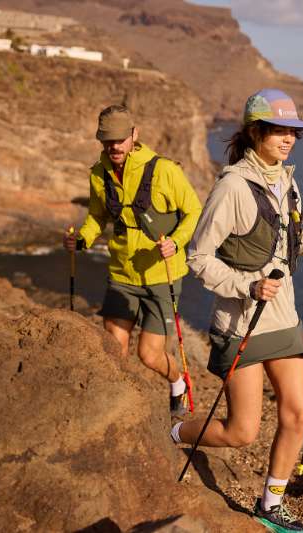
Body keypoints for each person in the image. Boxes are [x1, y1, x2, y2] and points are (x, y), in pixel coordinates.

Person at [171, 89, 303, 533]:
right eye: (279, 130)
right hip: (241, 324)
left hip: (283, 319)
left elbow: (284, 250)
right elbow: (198, 257)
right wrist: (247, 285)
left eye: (293, 131)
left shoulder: (287, 180)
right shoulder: (232, 187)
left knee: (297, 414)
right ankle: (175, 434)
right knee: (241, 433)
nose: (288, 138)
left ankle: (270, 505)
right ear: (256, 132)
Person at [63, 104, 202, 414]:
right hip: (121, 275)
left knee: (150, 355)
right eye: (107, 140)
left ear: (134, 135)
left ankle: (178, 382)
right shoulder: (99, 173)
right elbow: (97, 217)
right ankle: (118, 412)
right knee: (115, 351)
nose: (114, 146)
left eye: (119, 139)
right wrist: (82, 239)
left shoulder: (165, 169)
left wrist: (177, 243)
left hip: (161, 275)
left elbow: (194, 210)